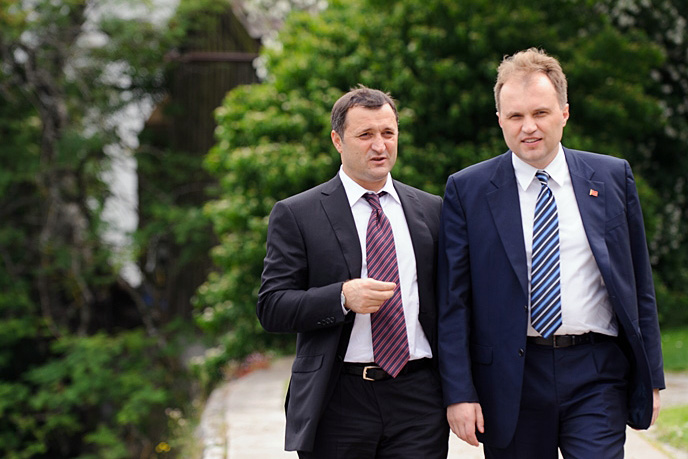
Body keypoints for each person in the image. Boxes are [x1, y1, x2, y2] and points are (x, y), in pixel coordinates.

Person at [437, 48, 665, 458]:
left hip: (597, 371)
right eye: (515, 116)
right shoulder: (467, 190)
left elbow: (639, 285)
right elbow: (454, 302)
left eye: (540, 113)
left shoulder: (612, 177)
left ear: (564, 113)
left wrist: (652, 378)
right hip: (511, 379)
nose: (528, 127)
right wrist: (459, 392)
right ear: (500, 119)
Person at [257, 85, 448, 458]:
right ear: (337, 141)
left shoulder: (431, 209)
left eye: (388, 133)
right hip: (339, 399)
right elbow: (272, 307)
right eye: (365, 135)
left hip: (419, 397)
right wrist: (342, 298)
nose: (380, 145)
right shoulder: (298, 213)